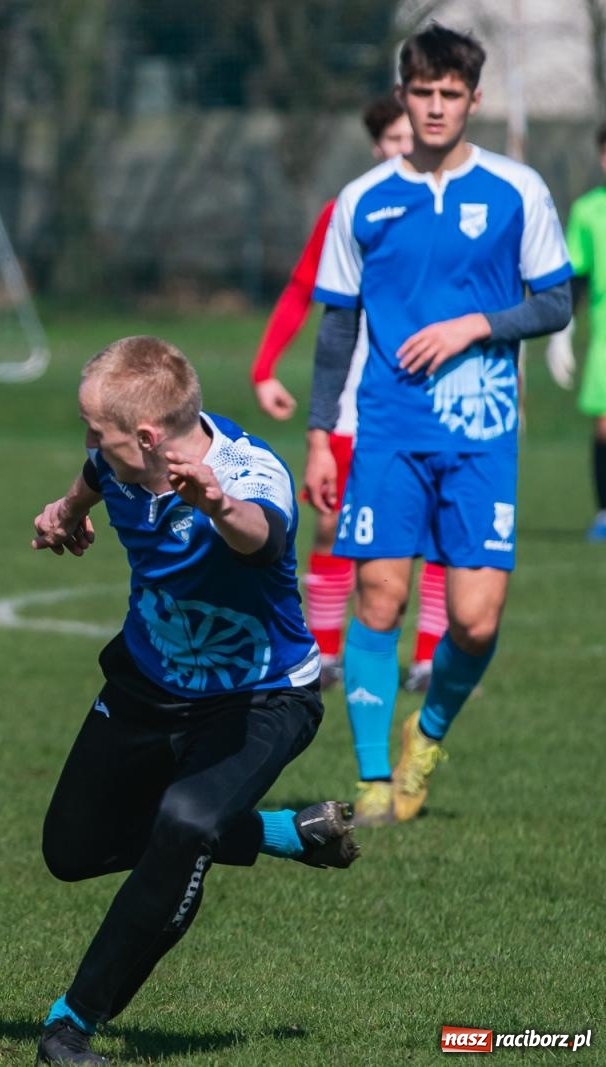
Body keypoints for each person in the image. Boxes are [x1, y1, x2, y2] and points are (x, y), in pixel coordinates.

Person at [30, 336, 357, 1066]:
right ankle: (279, 832)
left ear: (147, 437)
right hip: (148, 687)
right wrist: (65, 511)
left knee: (182, 827)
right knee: (71, 849)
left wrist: (217, 503)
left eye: (98, 430)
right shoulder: (117, 464)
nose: (89, 441)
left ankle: (69, 1024)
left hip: (260, 699)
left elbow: (264, 539)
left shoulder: (249, 473)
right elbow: (91, 475)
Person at [307, 24, 571, 827]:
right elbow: (336, 329)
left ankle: (427, 735)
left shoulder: (517, 190)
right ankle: (374, 778)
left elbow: (555, 301)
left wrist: (473, 327)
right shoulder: (364, 198)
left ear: (473, 100)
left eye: (449, 94)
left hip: (483, 432)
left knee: (475, 618)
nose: (433, 107)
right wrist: (322, 434)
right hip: (387, 429)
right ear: (404, 93)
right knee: (379, 600)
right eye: (421, 92)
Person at [249, 94, 447, 696]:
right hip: (352, 402)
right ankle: (323, 655)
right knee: (331, 523)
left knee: (435, 531)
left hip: (435, 403)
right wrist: (264, 368)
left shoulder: (455, 207)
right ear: (375, 145)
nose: (404, 147)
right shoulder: (351, 207)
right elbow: (303, 289)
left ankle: (430, 662)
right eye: (392, 138)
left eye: (410, 136)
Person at [545, 120, 606, 542]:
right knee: (604, 427)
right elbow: (576, 279)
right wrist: (561, 333)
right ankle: (604, 512)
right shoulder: (589, 210)